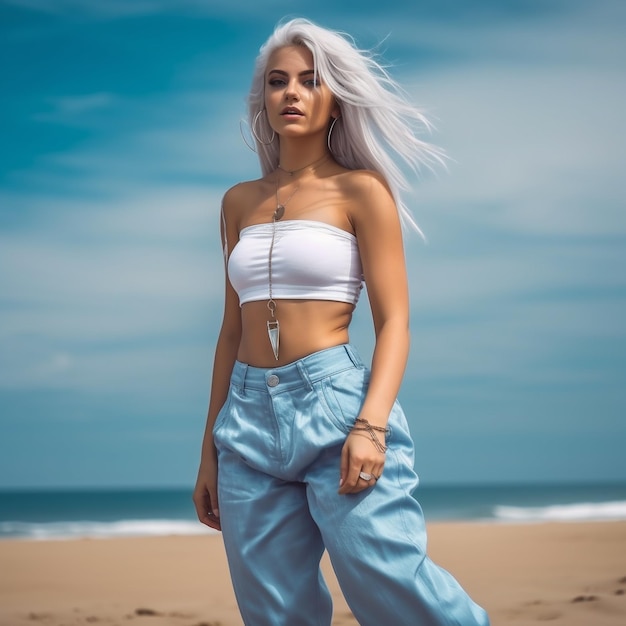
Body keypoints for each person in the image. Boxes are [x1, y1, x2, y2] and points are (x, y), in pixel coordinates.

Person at [193, 17, 490, 626]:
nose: (292, 93)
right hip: (245, 421)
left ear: (334, 101)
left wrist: (371, 426)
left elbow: (395, 320)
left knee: (392, 587)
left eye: (310, 81)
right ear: (264, 99)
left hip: (334, 405)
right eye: (278, 82)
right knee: (274, 612)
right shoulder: (236, 202)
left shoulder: (361, 191)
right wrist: (209, 452)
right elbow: (230, 331)